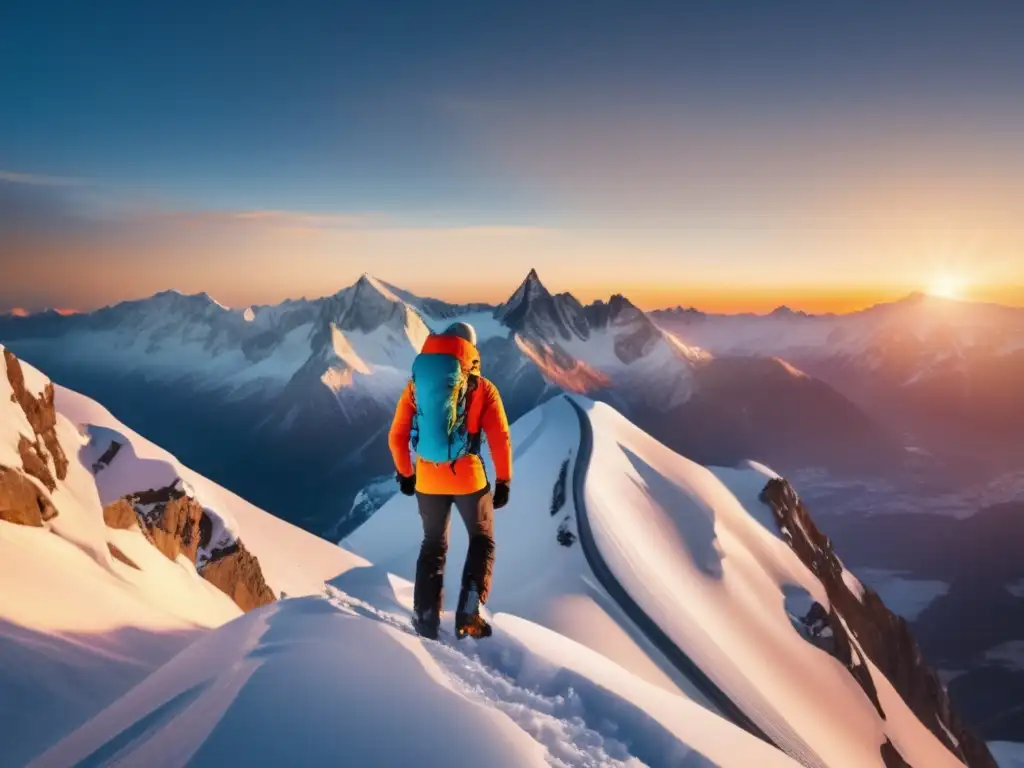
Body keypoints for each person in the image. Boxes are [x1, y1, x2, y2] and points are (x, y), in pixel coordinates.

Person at [388, 321, 512, 640]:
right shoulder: (483, 388)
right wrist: (504, 480)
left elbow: (396, 436)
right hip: (469, 478)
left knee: (433, 546)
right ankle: (469, 612)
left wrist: (405, 474)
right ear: (471, 350)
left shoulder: (416, 385)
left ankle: (426, 619)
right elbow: (500, 438)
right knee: (481, 540)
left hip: (427, 480)